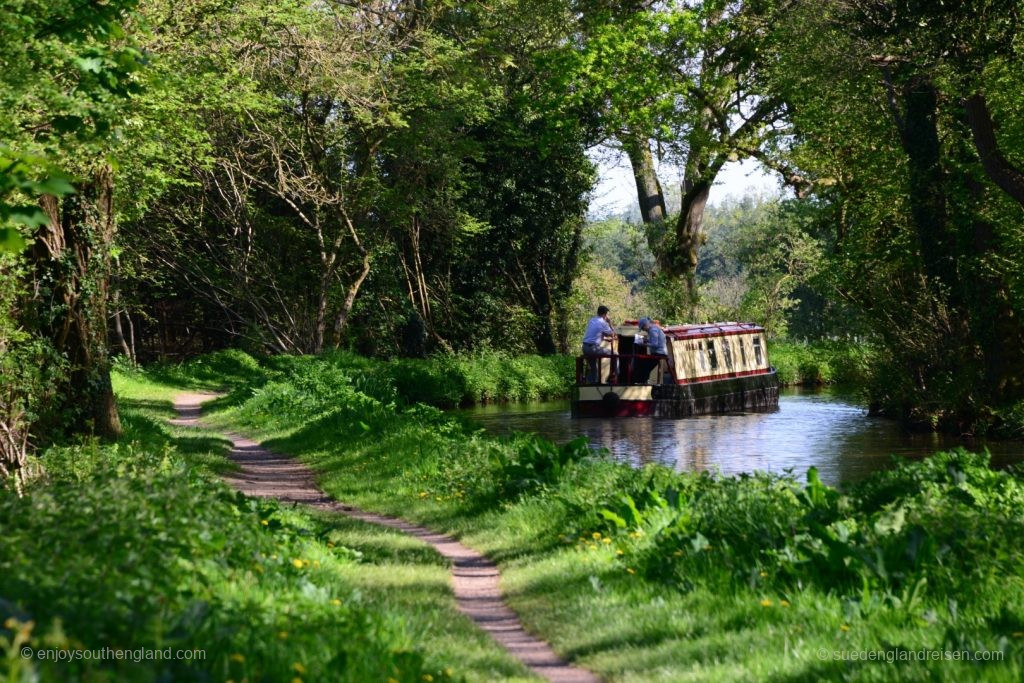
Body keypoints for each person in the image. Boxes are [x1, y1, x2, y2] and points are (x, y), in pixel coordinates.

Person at [582, 305, 615, 382]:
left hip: (585, 347)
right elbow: (613, 334)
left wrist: (605, 339)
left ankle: (592, 383)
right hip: (592, 348)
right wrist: (609, 323)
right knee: (615, 353)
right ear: (605, 314)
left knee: (594, 368)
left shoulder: (592, 320)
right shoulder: (603, 322)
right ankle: (615, 375)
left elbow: (595, 334)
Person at [636, 317, 669, 383]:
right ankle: (644, 380)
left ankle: (643, 381)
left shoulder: (652, 330)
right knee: (646, 365)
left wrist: (644, 345)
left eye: (642, 328)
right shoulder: (654, 328)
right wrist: (646, 340)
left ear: (645, 325)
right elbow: (655, 341)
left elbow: (655, 344)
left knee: (645, 366)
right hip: (660, 352)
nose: (643, 330)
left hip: (659, 353)